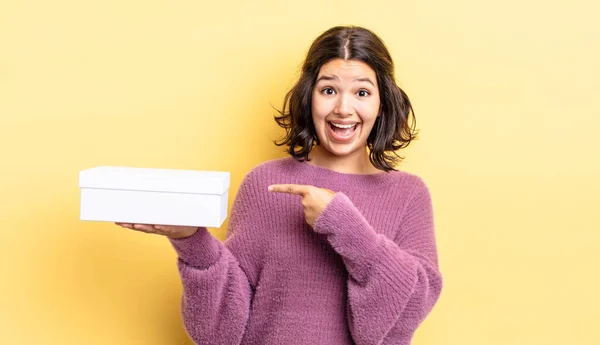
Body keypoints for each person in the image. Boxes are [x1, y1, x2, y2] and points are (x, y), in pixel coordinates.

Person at [116, 25, 443, 345]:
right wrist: (192, 241)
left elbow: (405, 315)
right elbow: (220, 332)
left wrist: (345, 225)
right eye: (328, 90)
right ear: (308, 97)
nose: (343, 108)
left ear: (381, 103)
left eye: (362, 92)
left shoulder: (408, 194)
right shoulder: (265, 182)